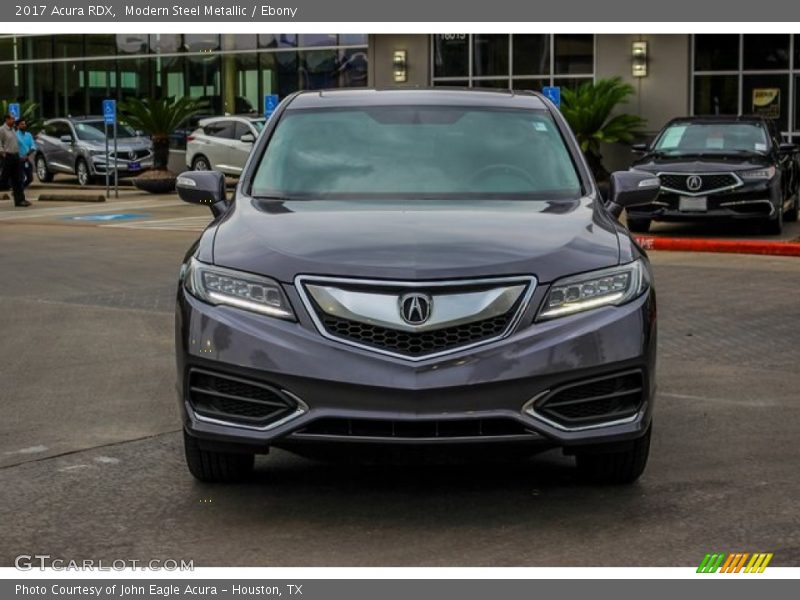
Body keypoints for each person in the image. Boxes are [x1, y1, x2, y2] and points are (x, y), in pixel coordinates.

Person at [0, 113, 30, 207]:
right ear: (7, 120)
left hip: (16, 156)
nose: (14, 121)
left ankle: (20, 200)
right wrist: (3, 153)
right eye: (12, 119)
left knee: (18, 179)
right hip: (7, 157)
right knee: (3, 180)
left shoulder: (13, 129)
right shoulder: (2, 130)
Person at [15, 118, 36, 188]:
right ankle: (19, 194)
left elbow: (33, 146)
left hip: (26, 159)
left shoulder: (28, 135)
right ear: (17, 126)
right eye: (22, 124)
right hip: (18, 160)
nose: (24, 125)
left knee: (30, 178)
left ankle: (18, 191)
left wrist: (26, 155)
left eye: (24, 124)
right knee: (20, 179)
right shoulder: (15, 135)